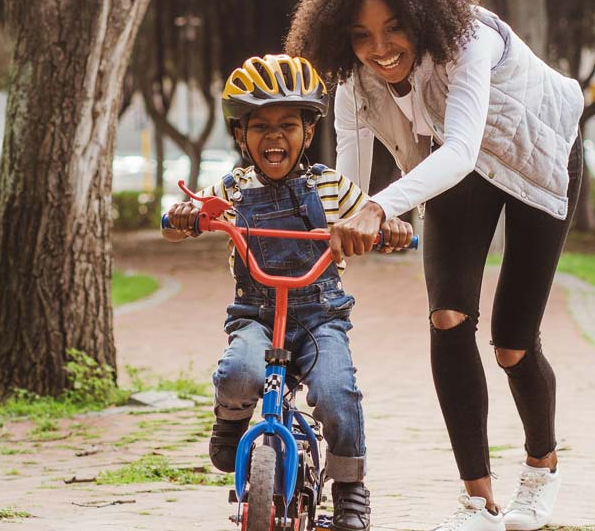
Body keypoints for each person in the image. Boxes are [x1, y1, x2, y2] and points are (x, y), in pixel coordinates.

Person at [283, 0, 586, 531]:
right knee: (447, 317)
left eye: (394, 29)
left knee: (513, 343)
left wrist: (380, 206)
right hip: (457, 171)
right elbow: (349, 182)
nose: (380, 49)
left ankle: (540, 469)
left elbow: (462, 147)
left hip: (539, 156)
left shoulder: (470, 40)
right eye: (361, 36)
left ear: (423, 17)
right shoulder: (354, 86)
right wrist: (347, 222)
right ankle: (478, 500)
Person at [163, 54, 412, 531]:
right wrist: (184, 219)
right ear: (241, 135)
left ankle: (349, 490)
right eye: (260, 126)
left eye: (286, 124)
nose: (274, 136)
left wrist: (389, 226)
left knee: (338, 394)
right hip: (256, 314)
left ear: (309, 131)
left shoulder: (330, 186)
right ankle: (233, 421)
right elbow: (185, 225)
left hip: (319, 316)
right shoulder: (233, 189)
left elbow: (370, 218)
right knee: (238, 371)